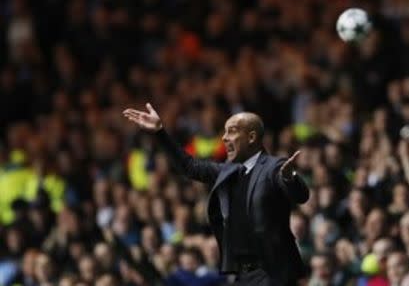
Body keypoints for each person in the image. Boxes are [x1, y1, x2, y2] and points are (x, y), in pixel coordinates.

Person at [123, 103, 310, 286]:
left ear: (252, 137)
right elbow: (189, 167)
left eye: (232, 131)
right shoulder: (228, 171)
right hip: (243, 274)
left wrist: (289, 178)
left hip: (274, 272)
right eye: (224, 132)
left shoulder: (274, 167)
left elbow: (301, 196)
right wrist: (159, 133)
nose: (224, 138)